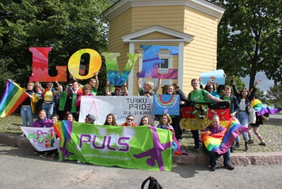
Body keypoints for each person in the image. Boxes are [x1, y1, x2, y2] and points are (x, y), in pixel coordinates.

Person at [188, 78, 224, 152]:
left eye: (196, 83)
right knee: (195, 131)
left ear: (198, 84)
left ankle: (205, 146)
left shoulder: (203, 92)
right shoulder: (190, 94)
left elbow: (213, 98)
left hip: (203, 115)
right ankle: (196, 146)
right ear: (191, 85)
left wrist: (223, 101)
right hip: (195, 116)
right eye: (193, 83)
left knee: (204, 131)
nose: (195, 84)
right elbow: (188, 104)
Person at [232, 79, 259, 151]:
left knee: (244, 129)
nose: (244, 92)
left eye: (245, 91)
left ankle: (246, 144)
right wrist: (233, 83)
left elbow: (253, 92)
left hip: (245, 115)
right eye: (243, 91)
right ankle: (237, 143)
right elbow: (235, 90)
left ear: (247, 93)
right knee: (236, 129)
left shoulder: (249, 99)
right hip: (237, 114)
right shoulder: (238, 97)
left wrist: (255, 85)